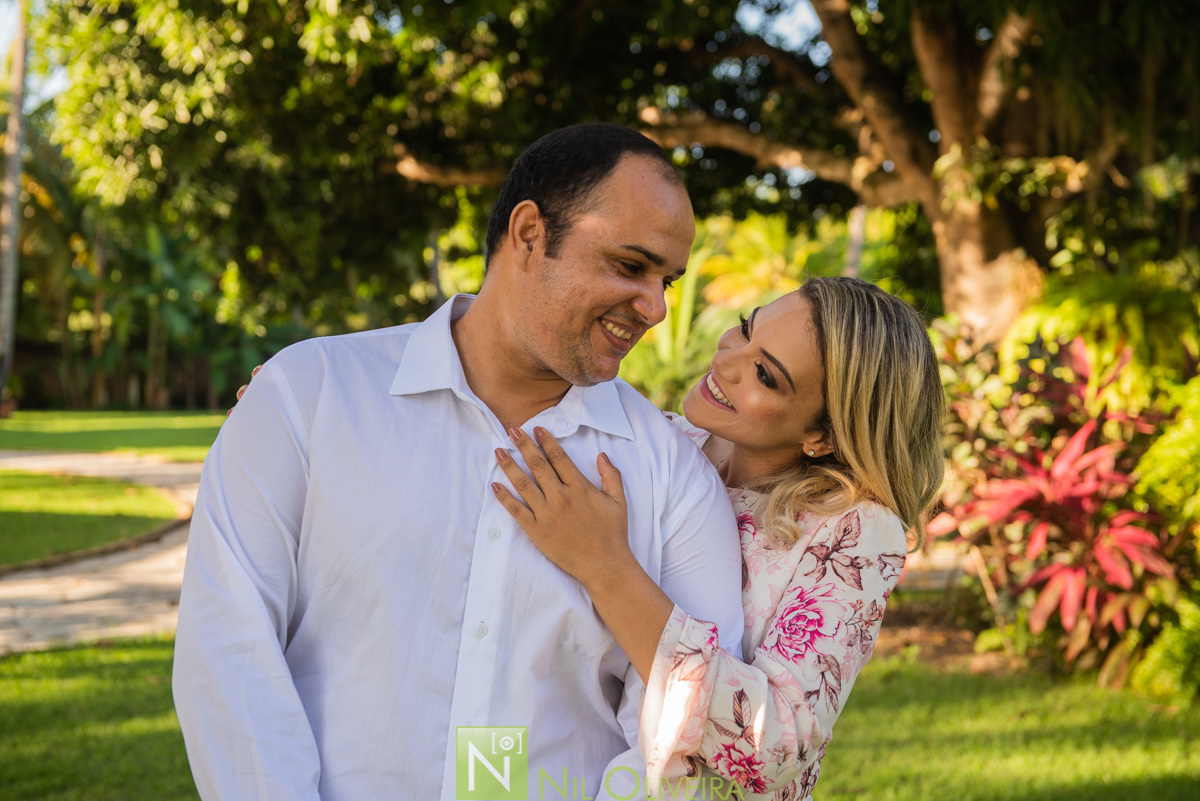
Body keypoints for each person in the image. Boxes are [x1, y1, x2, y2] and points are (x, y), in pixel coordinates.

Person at [172, 123, 747, 800]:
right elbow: (230, 647)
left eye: (666, 279)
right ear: (528, 235)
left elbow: (675, 738)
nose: (655, 308)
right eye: (629, 266)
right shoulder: (308, 397)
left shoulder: (673, 477)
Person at [491, 276, 946, 799]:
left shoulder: (853, 530)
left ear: (822, 435)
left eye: (765, 375)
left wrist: (607, 569)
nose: (727, 361)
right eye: (746, 328)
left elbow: (773, 746)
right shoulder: (657, 445)